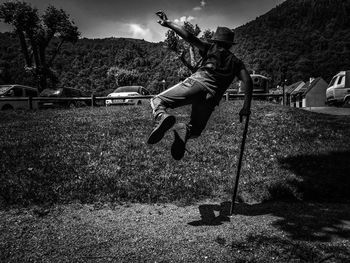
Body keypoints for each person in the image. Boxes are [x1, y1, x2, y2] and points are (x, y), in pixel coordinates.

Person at [147, 11, 253, 160]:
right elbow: (248, 80)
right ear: (230, 44)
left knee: (157, 100)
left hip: (197, 83)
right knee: (196, 130)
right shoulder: (236, 62)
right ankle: (185, 131)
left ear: (215, 41)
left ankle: (162, 116)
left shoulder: (211, 48)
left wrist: (168, 23)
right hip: (211, 98)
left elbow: (189, 37)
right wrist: (246, 107)